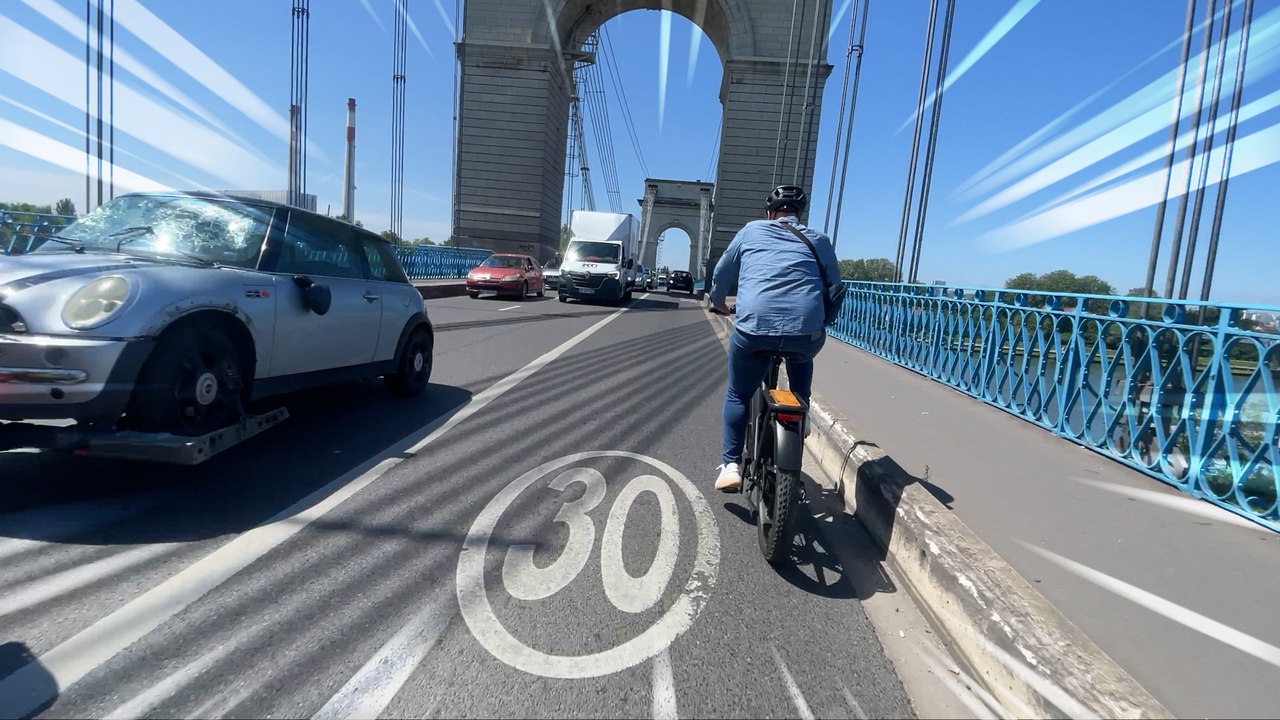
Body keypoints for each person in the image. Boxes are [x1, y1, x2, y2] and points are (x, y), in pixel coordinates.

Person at [707, 185, 840, 492]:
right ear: (799, 215)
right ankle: (801, 412)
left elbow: (723, 272)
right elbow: (835, 288)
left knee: (738, 394)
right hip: (806, 331)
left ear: (769, 214)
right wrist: (822, 323)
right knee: (802, 355)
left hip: (754, 328)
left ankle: (730, 465)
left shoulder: (751, 230)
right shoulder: (819, 240)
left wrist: (717, 302)